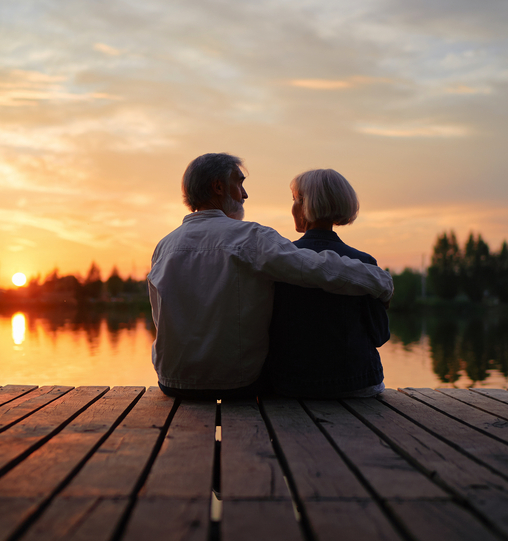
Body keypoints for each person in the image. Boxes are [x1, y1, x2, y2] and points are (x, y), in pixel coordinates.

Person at [147, 153, 393, 400]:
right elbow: (317, 268)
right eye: (239, 183)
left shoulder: (164, 246)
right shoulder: (250, 237)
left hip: (171, 382)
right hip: (237, 384)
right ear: (219, 187)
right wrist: (380, 282)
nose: (244, 194)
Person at [264, 169, 390, 398]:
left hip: (291, 385)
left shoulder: (280, 260)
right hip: (357, 384)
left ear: (304, 205)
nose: (292, 207)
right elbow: (380, 335)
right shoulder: (363, 262)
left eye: (294, 200)